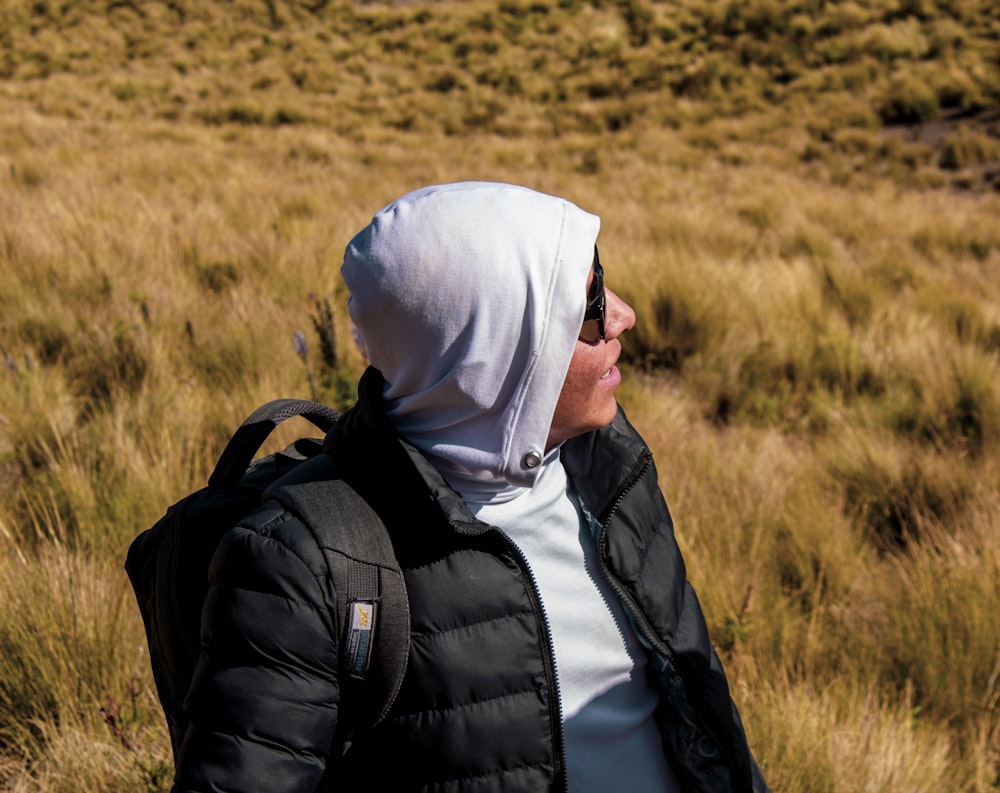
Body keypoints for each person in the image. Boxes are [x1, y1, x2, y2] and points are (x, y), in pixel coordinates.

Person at [173, 182, 770, 792]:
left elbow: (697, 711)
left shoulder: (609, 470)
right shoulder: (302, 563)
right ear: (504, 351)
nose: (623, 315)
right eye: (587, 304)